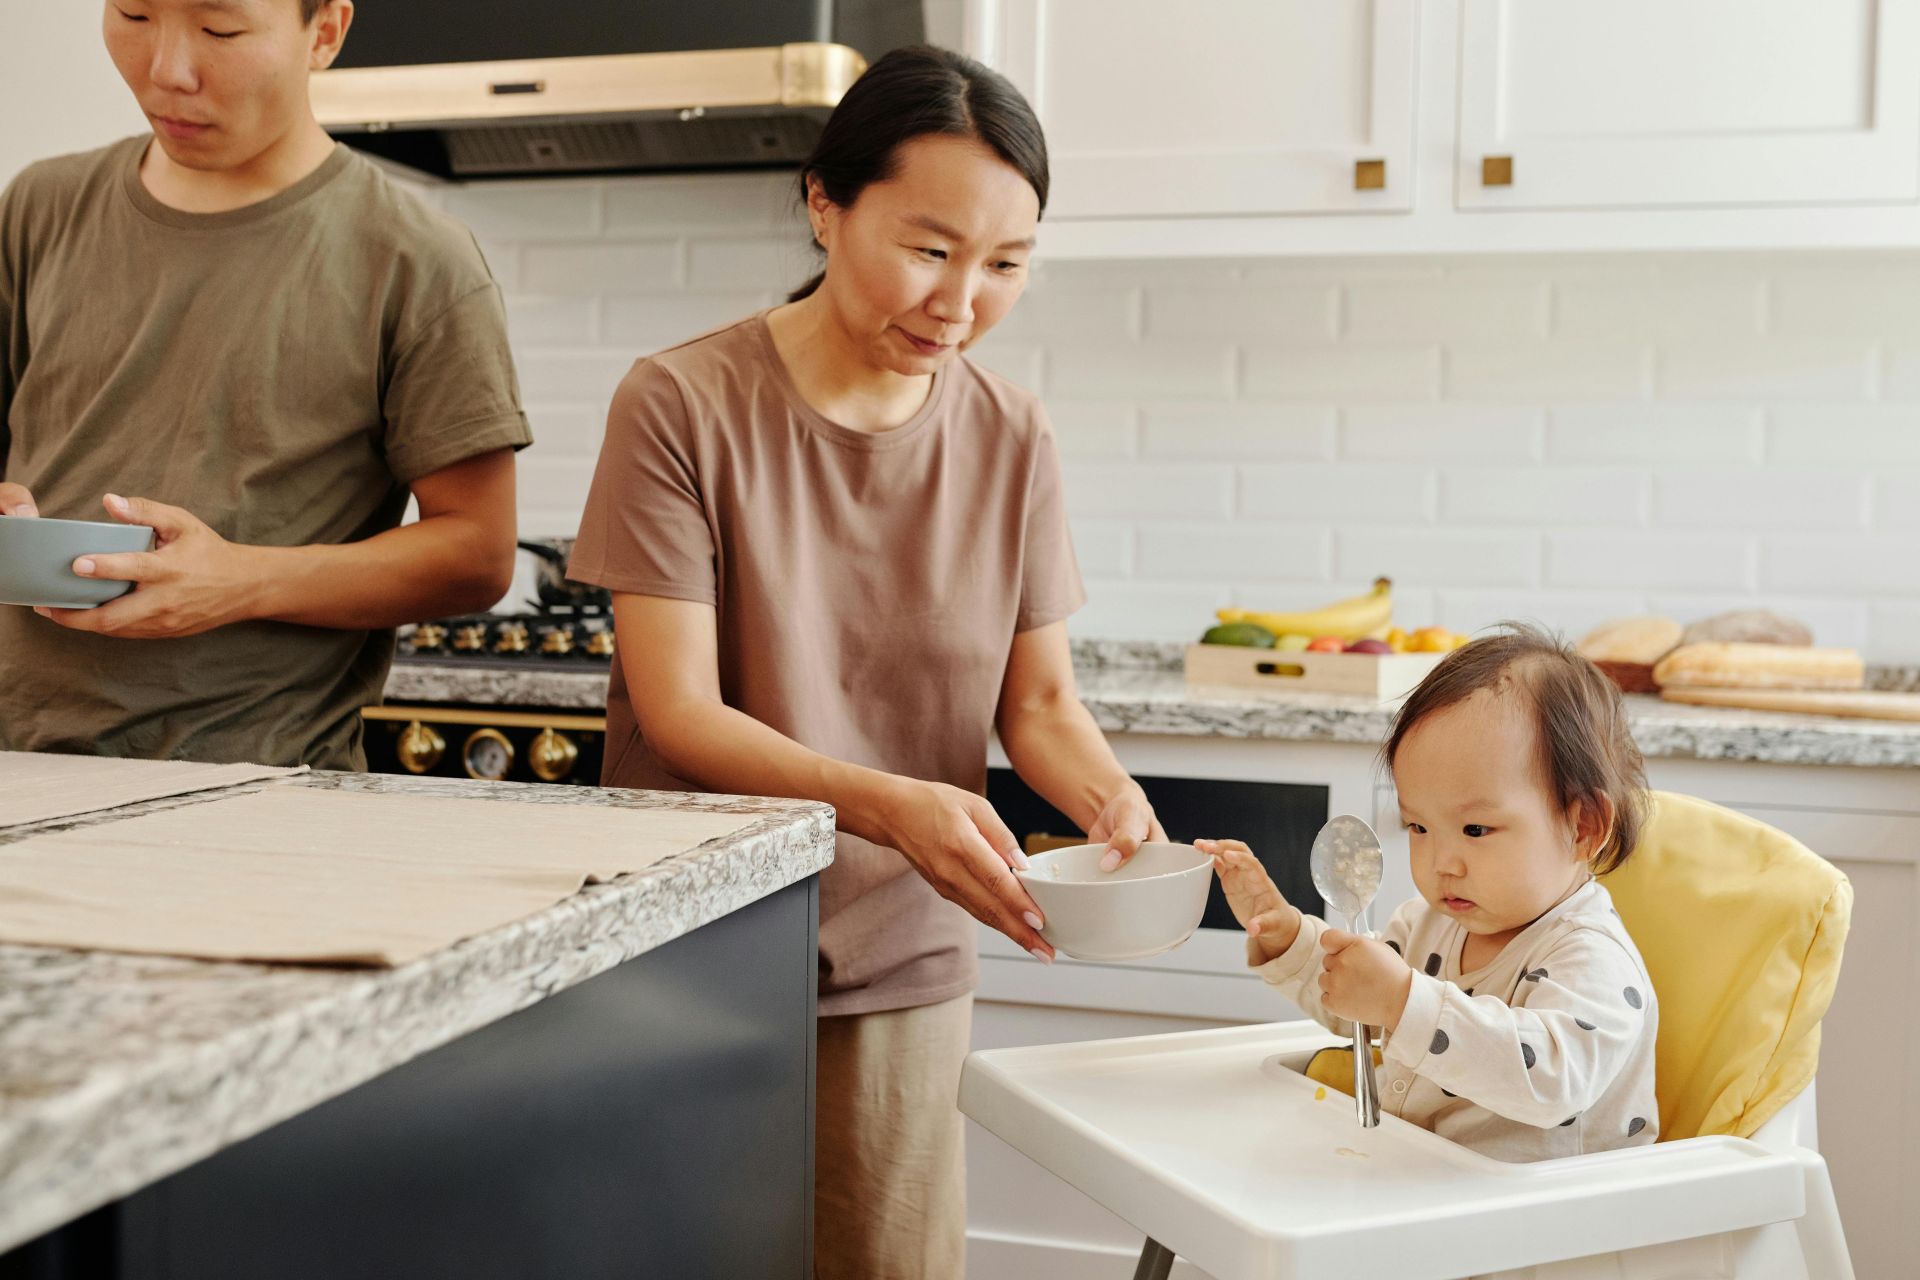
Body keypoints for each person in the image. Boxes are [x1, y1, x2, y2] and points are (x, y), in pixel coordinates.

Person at [568, 44, 1162, 1278]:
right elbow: (680, 709)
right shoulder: (681, 402)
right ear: (824, 205)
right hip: (696, 942)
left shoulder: (1010, 432)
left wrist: (1114, 806)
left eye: (1006, 265)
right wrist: (894, 804)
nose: (961, 302)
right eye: (931, 248)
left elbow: (1039, 701)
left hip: (901, 949)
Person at [0, 0, 529, 769]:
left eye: (221, 30)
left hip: (261, 789)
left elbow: (478, 555)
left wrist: (242, 581)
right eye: (134, 13)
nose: (166, 71)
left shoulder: (417, 261)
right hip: (19, 772)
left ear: (325, 33)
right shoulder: (39, 208)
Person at [1205, 625, 1660, 1161]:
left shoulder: (1590, 956)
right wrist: (1290, 939)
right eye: (1418, 828)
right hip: (1425, 1184)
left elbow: (1553, 1082)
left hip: (1545, 1221)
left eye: (1474, 831)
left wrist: (1403, 1001)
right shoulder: (1427, 924)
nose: (1442, 864)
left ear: (1582, 827)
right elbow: (1362, 1008)